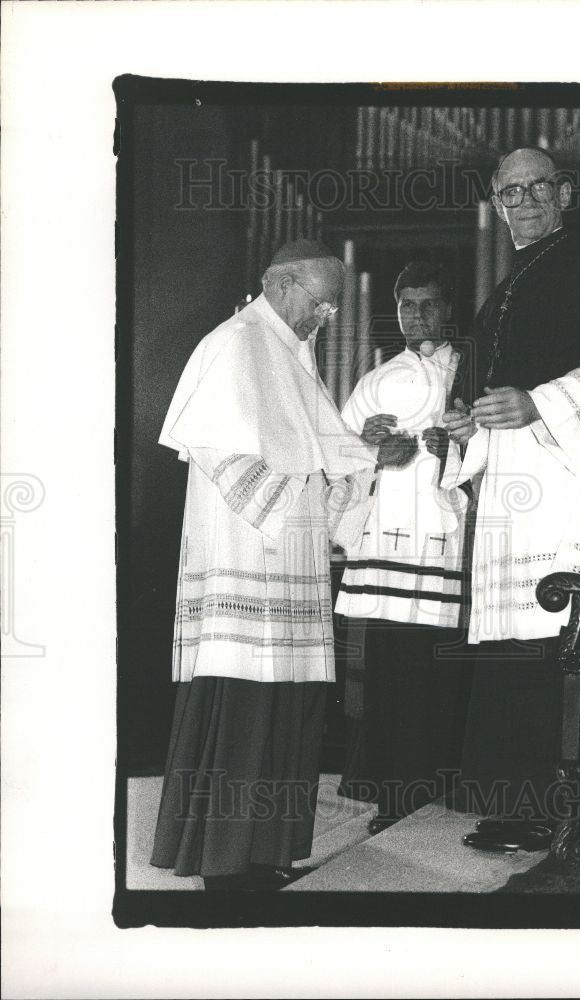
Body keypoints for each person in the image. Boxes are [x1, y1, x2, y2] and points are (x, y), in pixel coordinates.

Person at [150, 239, 404, 890]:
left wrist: (364, 453)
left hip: (289, 561)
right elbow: (227, 459)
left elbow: (324, 450)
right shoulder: (235, 345)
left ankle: (264, 850)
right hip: (247, 557)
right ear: (282, 283)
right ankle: (225, 859)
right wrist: (311, 493)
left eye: (332, 308)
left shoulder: (291, 358)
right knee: (244, 701)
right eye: (319, 303)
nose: (325, 317)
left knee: (288, 705)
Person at [442, 147, 580, 851]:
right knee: (513, 646)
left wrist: (537, 402)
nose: (525, 201)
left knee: (544, 642)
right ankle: (512, 801)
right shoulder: (508, 285)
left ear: (564, 192)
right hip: (514, 489)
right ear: (497, 203)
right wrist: (464, 418)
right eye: (511, 192)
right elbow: (482, 382)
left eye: (538, 187)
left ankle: (541, 805)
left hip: (564, 486)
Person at [335, 260, 472, 833]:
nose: (417, 316)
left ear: (448, 308)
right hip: (386, 545)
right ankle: (390, 792)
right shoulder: (377, 379)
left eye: (429, 304)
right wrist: (366, 448)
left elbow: (495, 443)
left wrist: (457, 446)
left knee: (440, 671)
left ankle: (441, 789)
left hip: (444, 544)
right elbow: (337, 453)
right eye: (406, 305)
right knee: (390, 672)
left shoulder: (470, 369)